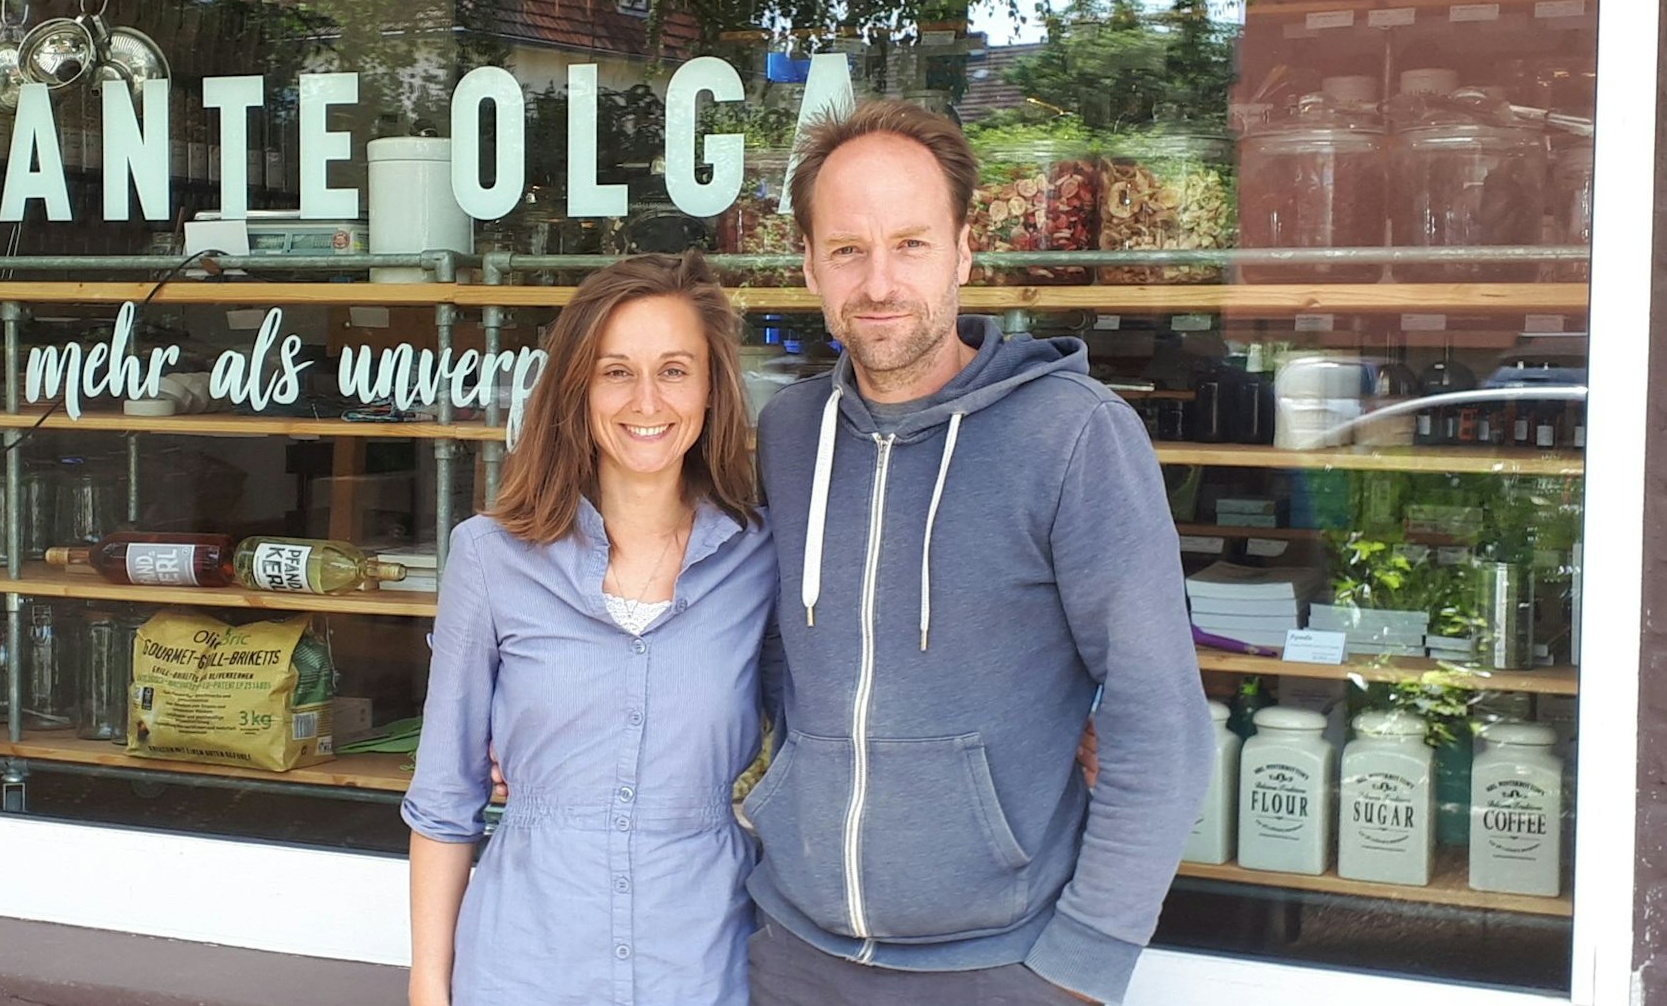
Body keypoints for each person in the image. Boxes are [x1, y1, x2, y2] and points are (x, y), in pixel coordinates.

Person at [743, 99, 1212, 1006]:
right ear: (807, 265)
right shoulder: (789, 433)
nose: (878, 282)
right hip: (793, 956)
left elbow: (1161, 722)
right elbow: (753, 653)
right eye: (848, 249)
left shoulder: (1074, 436)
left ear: (964, 250)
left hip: (1000, 967)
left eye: (911, 244)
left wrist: (1086, 960)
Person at [402, 252, 779, 1006]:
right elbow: (446, 797)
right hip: (523, 965)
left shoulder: (761, 558)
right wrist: (428, 988)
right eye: (616, 371)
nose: (647, 399)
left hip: (703, 966)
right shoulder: (490, 558)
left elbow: (827, 732)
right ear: (577, 388)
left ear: (712, 388)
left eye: (675, 369)